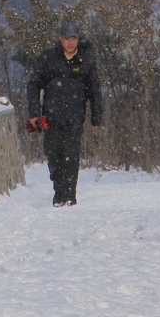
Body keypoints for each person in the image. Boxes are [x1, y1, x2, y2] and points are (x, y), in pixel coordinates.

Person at [26, 22, 103, 207]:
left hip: (75, 118)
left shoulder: (86, 61)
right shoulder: (48, 58)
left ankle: (68, 196)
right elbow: (34, 85)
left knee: (71, 156)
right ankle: (59, 190)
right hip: (51, 117)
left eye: (74, 38)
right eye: (67, 38)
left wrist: (96, 117)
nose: (70, 42)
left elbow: (95, 91)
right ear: (60, 38)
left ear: (78, 39)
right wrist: (34, 113)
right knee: (53, 155)